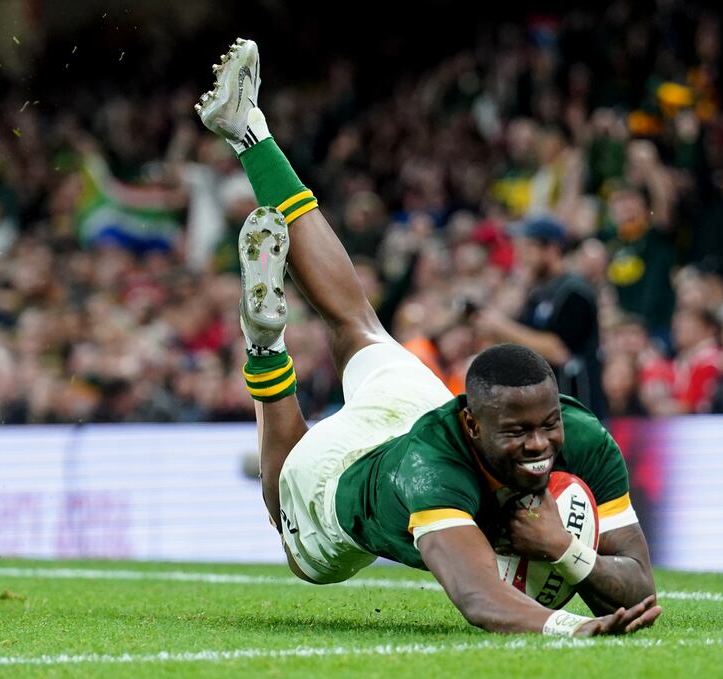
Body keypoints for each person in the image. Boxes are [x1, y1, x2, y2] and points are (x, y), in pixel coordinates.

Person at [195, 39, 661, 637]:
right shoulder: (430, 472)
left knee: (356, 321)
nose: (540, 445)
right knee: (288, 522)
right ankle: (265, 346)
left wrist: (568, 550)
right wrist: (571, 627)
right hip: (340, 477)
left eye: (546, 424)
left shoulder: (581, 438)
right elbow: (476, 596)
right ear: (471, 422)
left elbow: (640, 585)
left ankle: (250, 131)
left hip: (413, 405)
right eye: (519, 433)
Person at [472, 217, 607, 418]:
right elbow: (516, 341)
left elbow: (558, 350)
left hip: (577, 414)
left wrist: (500, 325)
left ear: (551, 249)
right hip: (543, 412)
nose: (520, 255)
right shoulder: (536, 293)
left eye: (527, 247)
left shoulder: (574, 293)